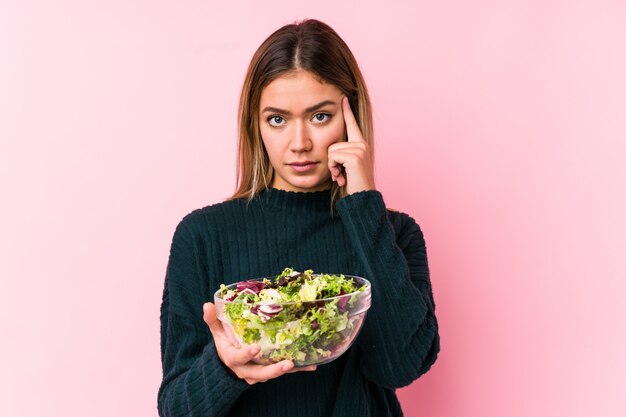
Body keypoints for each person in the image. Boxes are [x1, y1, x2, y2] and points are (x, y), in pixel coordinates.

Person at [157, 18, 440, 417]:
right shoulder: (203, 236)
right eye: (277, 120)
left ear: (351, 118)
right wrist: (226, 369)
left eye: (320, 116)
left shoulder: (393, 232)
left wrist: (363, 204)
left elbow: (400, 365)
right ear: (255, 126)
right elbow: (175, 409)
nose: (300, 143)